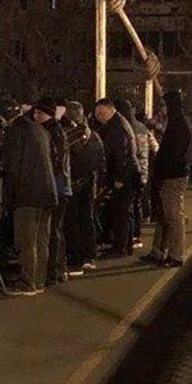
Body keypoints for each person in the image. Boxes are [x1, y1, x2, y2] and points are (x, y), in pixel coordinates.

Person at [1, 101, 58, 296]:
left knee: (26, 241)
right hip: (47, 191)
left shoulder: (15, 132)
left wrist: (8, 198)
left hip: (27, 193)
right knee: (42, 239)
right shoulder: (40, 130)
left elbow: (11, 167)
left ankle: (27, 282)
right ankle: (39, 280)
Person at [141, 91, 192, 268]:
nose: (161, 109)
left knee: (173, 216)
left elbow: (173, 153)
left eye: (164, 105)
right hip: (170, 174)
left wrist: (162, 168)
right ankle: (158, 251)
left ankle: (175, 255)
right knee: (164, 214)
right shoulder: (176, 123)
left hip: (173, 175)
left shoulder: (179, 126)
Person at [94, 99, 141, 257]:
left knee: (121, 212)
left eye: (101, 112)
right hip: (128, 173)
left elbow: (122, 153)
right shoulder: (117, 124)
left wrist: (119, 178)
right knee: (124, 212)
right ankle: (125, 245)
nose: (99, 116)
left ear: (111, 109)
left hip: (124, 175)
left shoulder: (117, 128)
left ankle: (120, 248)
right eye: (97, 113)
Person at [64, 102, 106, 275]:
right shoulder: (93, 135)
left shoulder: (68, 136)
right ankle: (89, 256)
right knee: (87, 219)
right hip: (89, 182)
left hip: (73, 183)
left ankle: (75, 260)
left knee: (72, 221)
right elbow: (101, 160)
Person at [33, 98, 72, 285]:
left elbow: (52, 162)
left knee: (52, 231)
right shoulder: (58, 130)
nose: (35, 116)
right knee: (57, 230)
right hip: (62, 186)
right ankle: (58, 269)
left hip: (55, 187)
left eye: (38, 112)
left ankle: (52, 271)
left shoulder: (49, 132)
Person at [115, 100, 159, 248]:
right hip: (144, 170)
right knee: (137, 203)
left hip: (131, 170)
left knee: (128, 206)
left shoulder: (125, 128)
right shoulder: (142, 127)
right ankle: (137, 235)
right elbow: (155, 147)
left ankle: (129, 237)